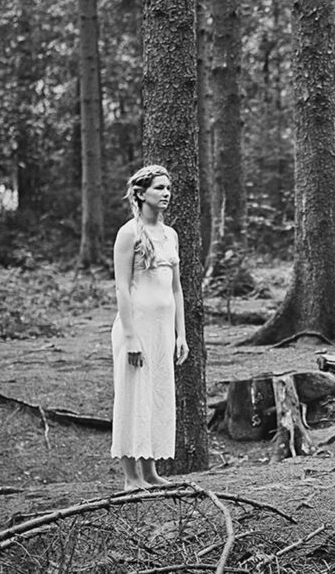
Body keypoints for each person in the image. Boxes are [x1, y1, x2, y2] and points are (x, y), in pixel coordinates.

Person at [110, 165, 189, 490]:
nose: (166, 193)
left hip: (162, 331)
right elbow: (122, 287)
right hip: (136, 328)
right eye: (159, 188)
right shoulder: (128, 233)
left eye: (168, 187)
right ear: (141, 193)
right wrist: (130, 337)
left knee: (156, 395)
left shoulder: (171, 235)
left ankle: (151, 472)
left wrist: (181, 334)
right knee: (133, 397)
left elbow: (176, 288)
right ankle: (131, 478)